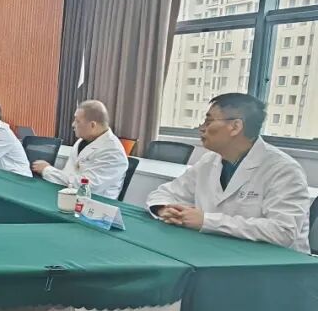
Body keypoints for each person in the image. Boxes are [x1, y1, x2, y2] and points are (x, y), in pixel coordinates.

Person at [147, 93, 310, 253]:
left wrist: (206, 221)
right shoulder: (209, 161)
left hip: (274, 263)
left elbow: (283, 232)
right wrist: (164, 209)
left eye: (209, 121)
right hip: (219, 251)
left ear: (235, 127)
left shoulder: (283, 170)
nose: (201, 128)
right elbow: (164, 193)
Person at [32, 100, 129, 198]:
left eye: (77, 121)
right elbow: (69, 174)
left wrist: (47, 170)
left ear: (92, 125)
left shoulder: (113, 152)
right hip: (68, 195)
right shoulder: (82, 141)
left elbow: (86, 186)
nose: (73, 124)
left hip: (94, 202)